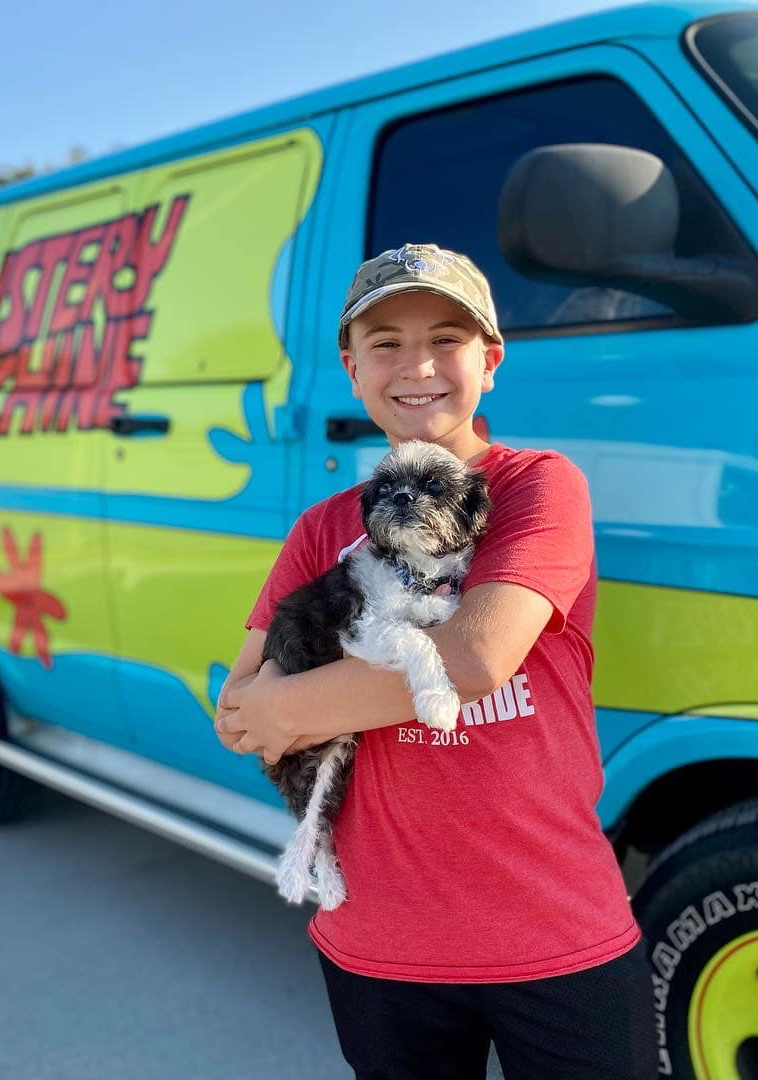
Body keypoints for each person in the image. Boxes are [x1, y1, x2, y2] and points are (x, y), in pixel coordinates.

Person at [214, 243, 655, 1079]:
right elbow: (239, 709)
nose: (417, 366)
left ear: (489, 362)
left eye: (446, 339)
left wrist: (292, 709)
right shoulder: (321, 529)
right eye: (385, 343)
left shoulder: (537, 486)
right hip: (380, 944)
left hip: (555, 926)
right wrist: (272, 711)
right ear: (351, 368)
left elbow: (476, 658)